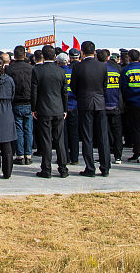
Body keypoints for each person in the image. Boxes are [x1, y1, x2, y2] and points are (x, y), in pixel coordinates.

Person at [72, 40, 110, 177]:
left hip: (85, 103)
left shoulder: (77, 67)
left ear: (82, 52)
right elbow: (104, 86)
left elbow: (74, 87)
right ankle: (105, 167)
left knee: (87, 137)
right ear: (94, 52)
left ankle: (90, 168)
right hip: (100, 102)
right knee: (103, 136)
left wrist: (81, 96)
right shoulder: (102, 66)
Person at [31, 45, 69, 178]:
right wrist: (65, 109)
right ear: (54, 56)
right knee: (59, 140)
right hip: (58, 109)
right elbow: (64, 93)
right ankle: (63, 169)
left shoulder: (37, 71)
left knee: (46, 140)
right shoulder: (61, 71)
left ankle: (46, 169)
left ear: (42, 56)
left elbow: (34, 92)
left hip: (44, 109)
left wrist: (34, 108)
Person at [7, 45, 34, 165]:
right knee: (28, 129)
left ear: (14, 55)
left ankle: (20, 155)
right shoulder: (31, 68)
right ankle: (28, 154)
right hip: (29, 101)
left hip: (16, 102)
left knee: (18, 129)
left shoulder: (10, 69)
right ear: (25, 55)